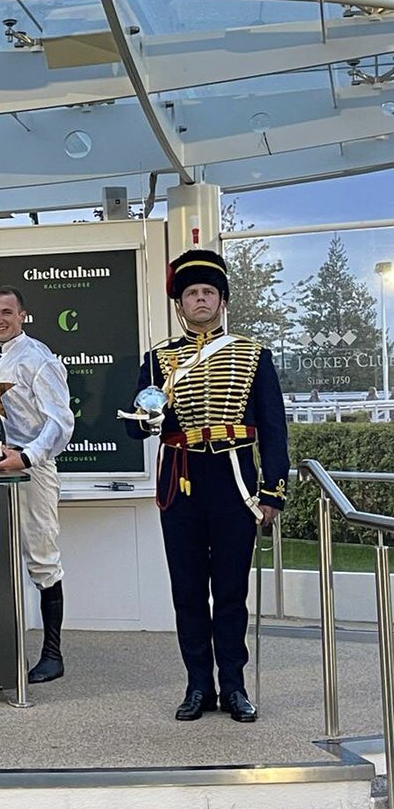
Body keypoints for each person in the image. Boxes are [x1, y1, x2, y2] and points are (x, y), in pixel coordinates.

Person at [126, 248, 289, 723]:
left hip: (235, 481)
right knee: (188, 591)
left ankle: (234, 686)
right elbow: (136, 425)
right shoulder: (159, 360)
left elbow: (274, 428)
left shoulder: (253, 354)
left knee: (232, 590)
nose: (200, 300)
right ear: (180, 304)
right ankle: (199, 685)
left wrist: (273, 490)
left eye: (208, 293)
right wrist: (146, 419)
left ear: (221, 301)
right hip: (181, 481)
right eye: (192, 293)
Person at [0, 286, 75, 683]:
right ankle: (2, 646)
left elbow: (61, 422)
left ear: (23, 315)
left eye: (7, 311)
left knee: (41, 558)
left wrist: (28, 456)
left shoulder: (38, 358)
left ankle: (53, 654)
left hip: (33, 468)